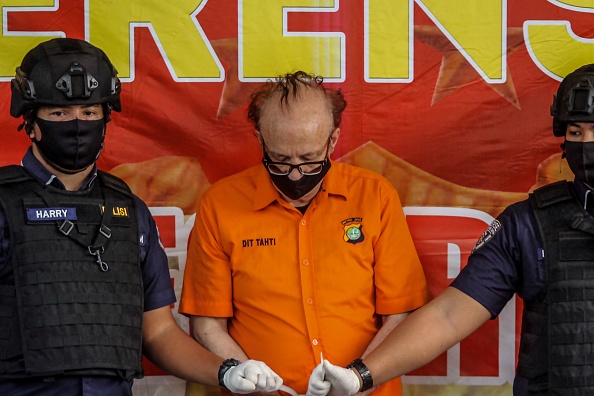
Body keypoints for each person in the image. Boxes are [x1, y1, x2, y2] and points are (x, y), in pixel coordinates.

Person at [0, 37, 283, 395]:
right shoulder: (4, 204)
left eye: (89, 112)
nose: (76, 123)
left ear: (105, 119)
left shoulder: (130, 211)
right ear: (30, 121)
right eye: (59, 113)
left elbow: (160, 332)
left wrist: (228, 371)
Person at [306, 63, 594, 396]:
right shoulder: (529, 223)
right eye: (575, 132)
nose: (586, 143)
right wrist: (360, 376)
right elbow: (449, 316)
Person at [179, 71, 429, 395]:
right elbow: (207, 324)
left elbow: (401, 314)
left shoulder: (375, 197)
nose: (295, 174)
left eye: (310, 159)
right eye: (280, 160)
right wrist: (252, 382)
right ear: (260, 139)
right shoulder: (220, 205)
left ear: (333, 140)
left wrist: (357, 381)